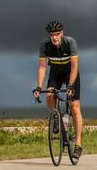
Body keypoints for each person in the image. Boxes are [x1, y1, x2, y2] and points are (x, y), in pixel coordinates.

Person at [33, 20, 82, 157]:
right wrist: (38, 87)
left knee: (75, 106)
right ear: (49, 35)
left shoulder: (70, 42)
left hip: (70, 73)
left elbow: (74, 67)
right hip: (55, 73)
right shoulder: (44, 45)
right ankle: (56, 116)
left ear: (62, 33)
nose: (55, 37)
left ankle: (78, 144)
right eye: (52, 35)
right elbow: (42, 67)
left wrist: (71, 85)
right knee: (49, 95)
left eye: (57, 34)